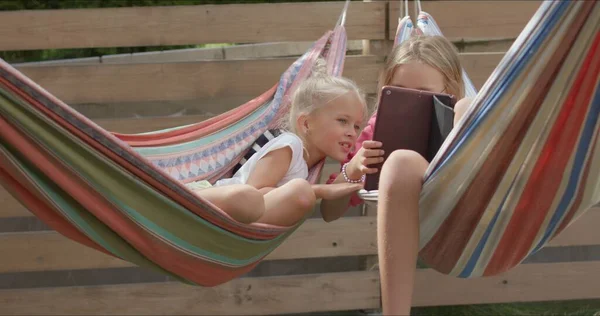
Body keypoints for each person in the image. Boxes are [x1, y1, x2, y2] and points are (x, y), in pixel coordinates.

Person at [321, 35, 473, 315]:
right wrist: (354, 168)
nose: (411, 102)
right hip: (408, 210)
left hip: (461, 204)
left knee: (465, 109)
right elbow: (330, 210)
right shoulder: (377, 131)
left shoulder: (459, 112)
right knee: (400, 162)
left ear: (448, 90)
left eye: (424, 94)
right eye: (400, 92)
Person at [186, 59, 368, 227]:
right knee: (256, 196)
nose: (352, 133)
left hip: (229, 226)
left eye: (357, 126)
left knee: (301, 195)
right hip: (208, 203)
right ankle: (179, 198)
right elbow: (254, 193)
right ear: (306, 123)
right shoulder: (290, 146)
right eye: (343, 121)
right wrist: (318, 191)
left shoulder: (307, 167)